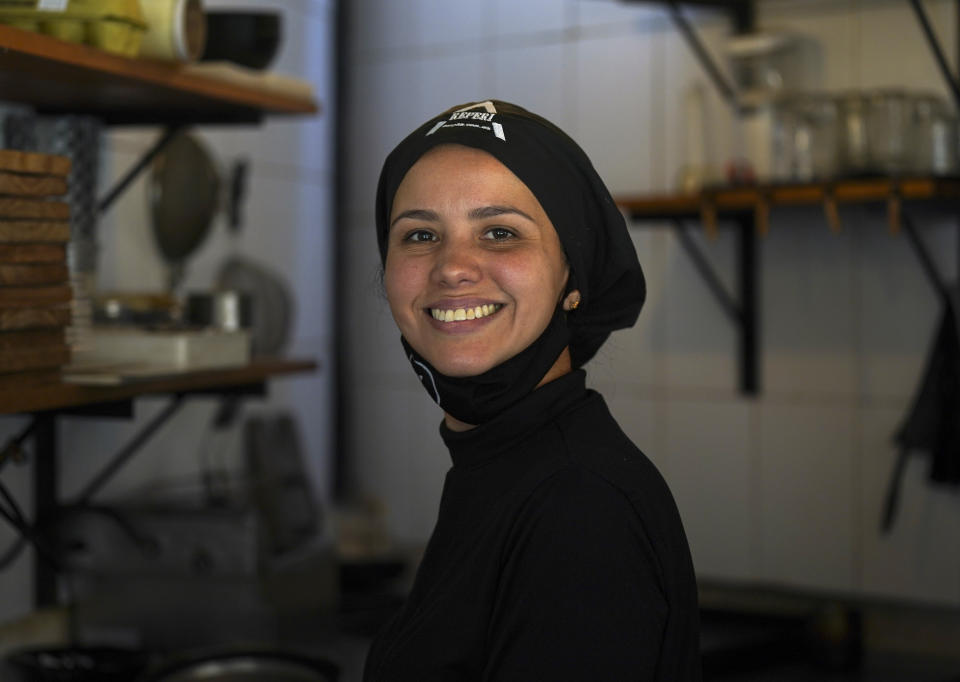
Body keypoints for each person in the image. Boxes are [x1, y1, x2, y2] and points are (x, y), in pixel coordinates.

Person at [363, 100, 701, 681]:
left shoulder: (579, 507)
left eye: (499, 232)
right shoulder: (501, 464)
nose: (452, 267)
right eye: (420, 234)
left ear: (572, 275)